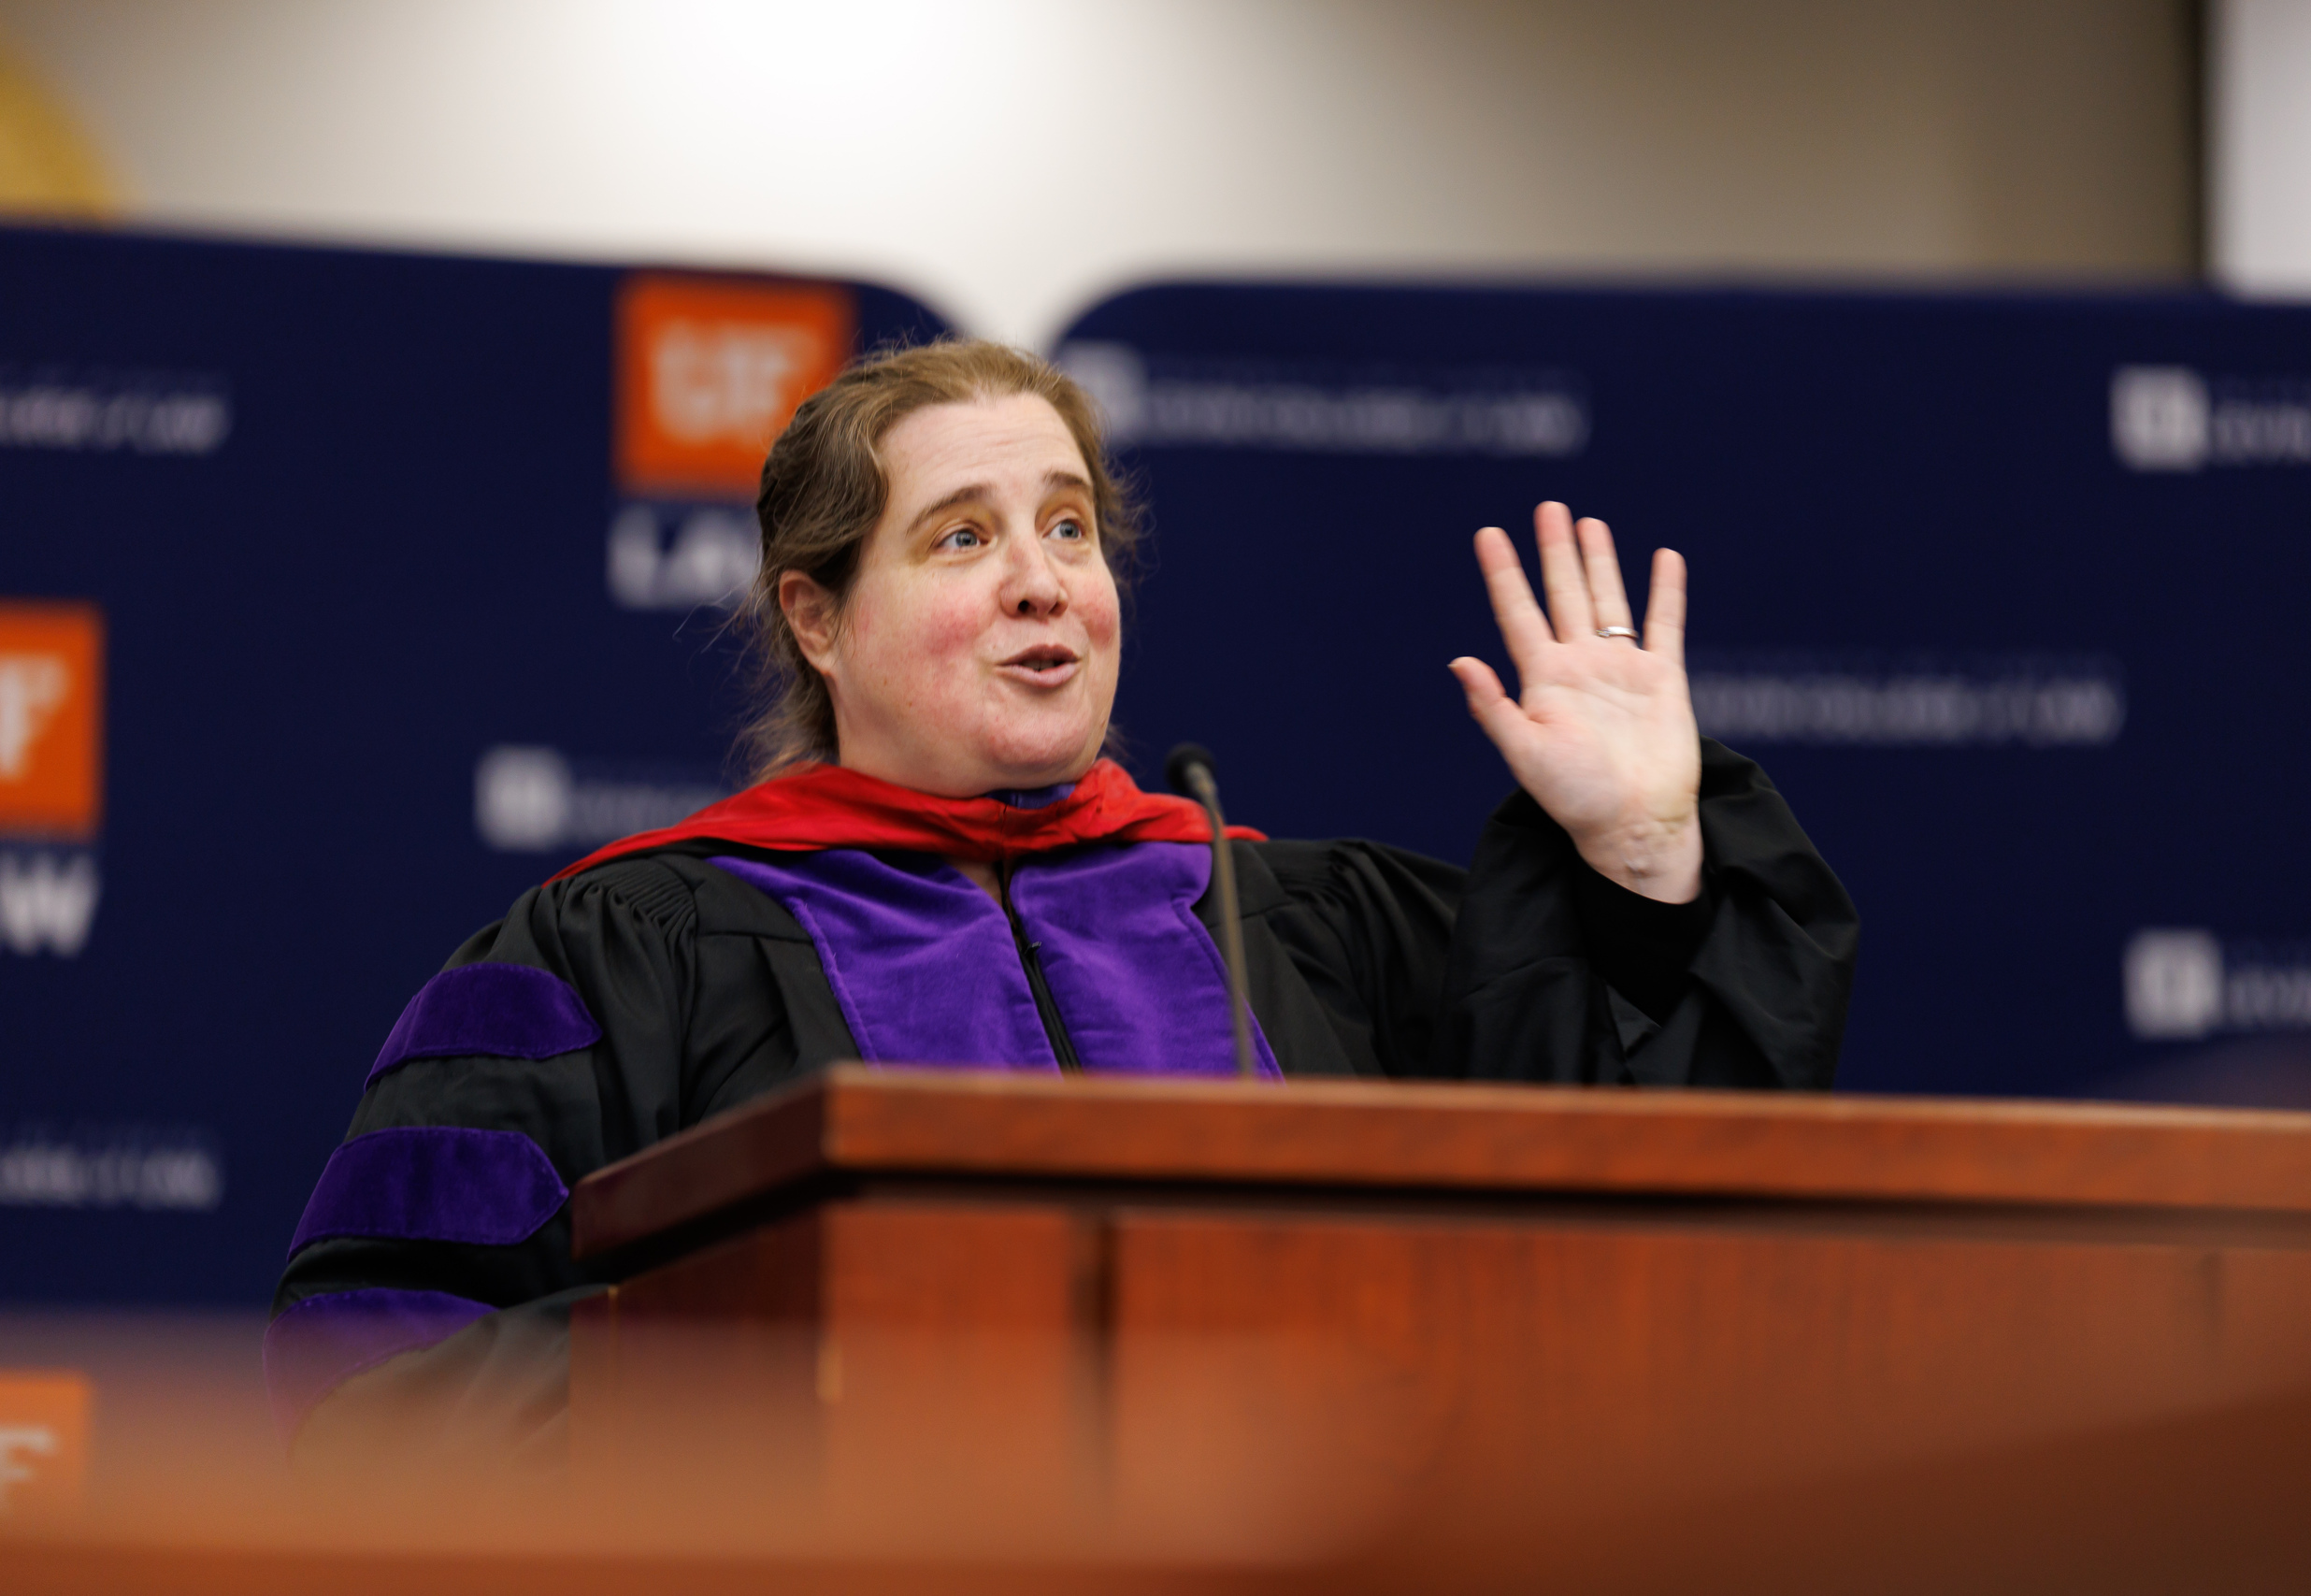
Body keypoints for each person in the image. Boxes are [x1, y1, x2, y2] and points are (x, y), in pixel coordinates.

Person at [265, 339, 1857, 1460]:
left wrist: (1648, 854)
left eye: (1070, 528)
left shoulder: (1307, 927)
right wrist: (777, 1376)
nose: (1042, 579)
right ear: (817, 619)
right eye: (962, 536)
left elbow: (1626, 1265)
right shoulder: (619, 956)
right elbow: (373, 1395)